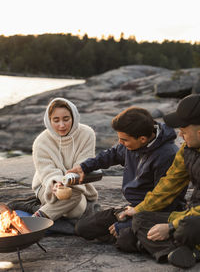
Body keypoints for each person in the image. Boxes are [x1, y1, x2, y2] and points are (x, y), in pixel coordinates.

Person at [67, 106, 187, 246]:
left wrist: (130, 221)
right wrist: (84, 167)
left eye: (124, 140)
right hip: (130, 209)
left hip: (155, 213)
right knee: (83, 228)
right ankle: (131, 234)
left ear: (142, 139)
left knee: (125, 239)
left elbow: (165, 201)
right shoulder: (130, 143)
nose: (120, 143)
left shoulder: (167, 155)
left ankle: (135, 234)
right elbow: (112, 154)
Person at [117, 94, 200, 269]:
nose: (180, 134)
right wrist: (138, 209)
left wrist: (170, 227)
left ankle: (169, 245)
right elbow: (168, 185)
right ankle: (179, 252)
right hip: (189, 215)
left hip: (193, 222)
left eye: (184, 130)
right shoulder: (188, 150)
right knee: (139, 220)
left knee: (190, 226)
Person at [31, 97, 98, 221]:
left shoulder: (87, 134)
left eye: (66, 119)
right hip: (47, 185)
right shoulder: (41, 141)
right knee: (73, 202)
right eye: (56, 120)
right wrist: (56, 184)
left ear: (74, 117)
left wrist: (68, 181)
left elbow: (84, 165)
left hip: (76, 185)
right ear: (49, 120)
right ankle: (42, 217)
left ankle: (40, 215)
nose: (61, 125)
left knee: (75, 210)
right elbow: (46, 170)